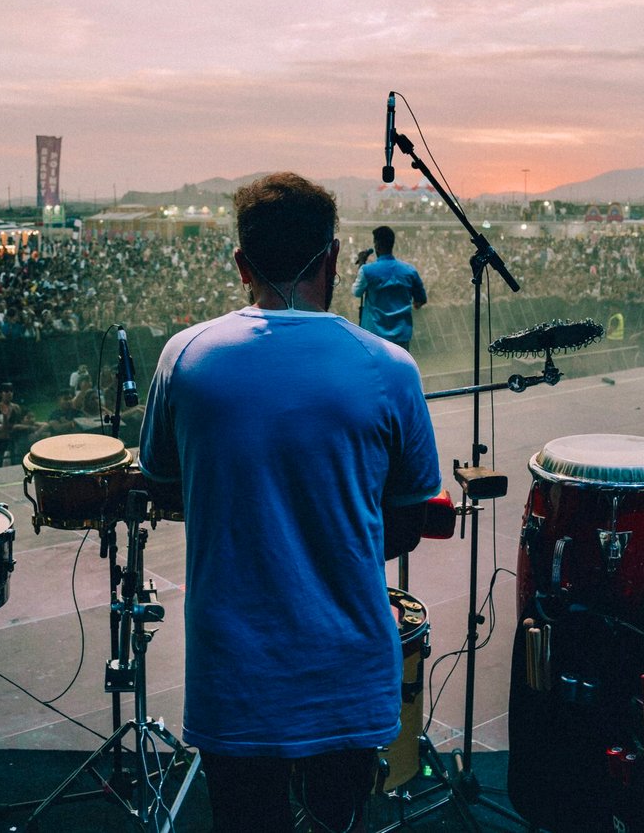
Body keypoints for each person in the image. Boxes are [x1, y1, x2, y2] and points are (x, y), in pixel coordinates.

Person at [139, 172, 441, 832]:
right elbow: (408, 520)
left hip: (233, 675)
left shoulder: (183, 359)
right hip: (348, 671)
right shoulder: (390, 368)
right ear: (333, 258)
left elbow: (165, 486)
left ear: (242, 262)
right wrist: (333, 533)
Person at [352, 225, 427, 347]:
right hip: (401, 337)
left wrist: (361, 263)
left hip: (375, 338)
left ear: (376, 245)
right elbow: (420, 300)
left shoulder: (367, 271)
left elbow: (356, 292)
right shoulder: (409, 271)